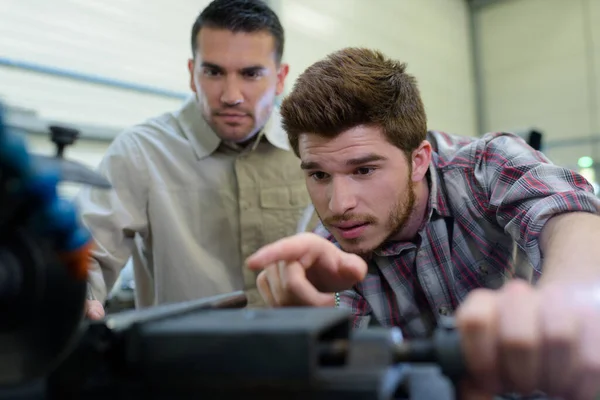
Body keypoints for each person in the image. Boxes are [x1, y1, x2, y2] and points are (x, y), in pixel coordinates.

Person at [245, 47, 600, 399]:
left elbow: (570, 213)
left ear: (419, 161)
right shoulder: (333, 256)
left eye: (364, 170)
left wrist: (569, 297)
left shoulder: (483, 168)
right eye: (320, 175)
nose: (339, 205)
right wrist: (313, 328)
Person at [78, 0, 312, 319]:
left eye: (251, 74)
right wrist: (80, 299)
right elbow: (86, 253)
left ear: (280, 77)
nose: (232, 95)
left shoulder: (312, 151)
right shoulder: (140, 152)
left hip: (298, 361)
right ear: (192, 73)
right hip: (180, 364)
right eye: (213, 72)